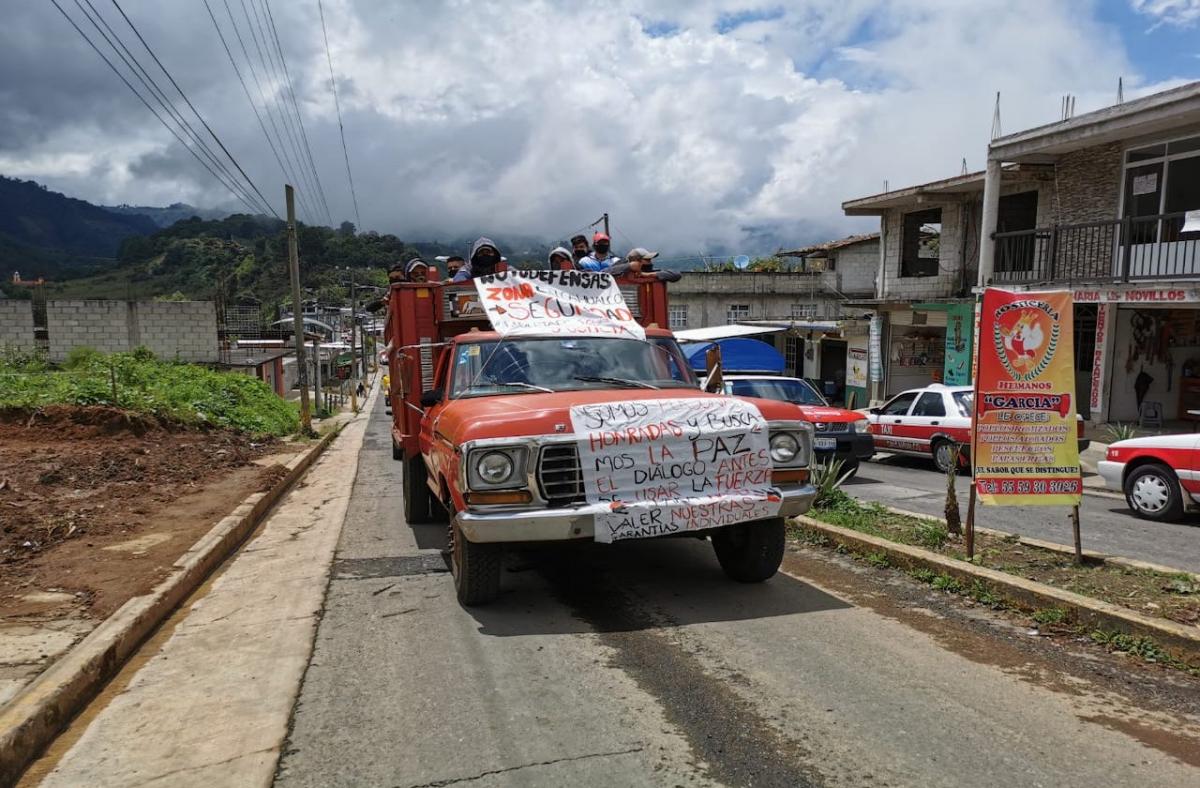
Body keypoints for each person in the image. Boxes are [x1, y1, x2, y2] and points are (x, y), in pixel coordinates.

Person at [607, 247, 682, 282]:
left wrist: (646, 274)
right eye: (647, 260)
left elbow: (676, 274)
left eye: (650, 260)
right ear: (636, 261)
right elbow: (605, 272)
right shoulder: (621, 270)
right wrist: (629, 266)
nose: (650, 263)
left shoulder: (650, 272)